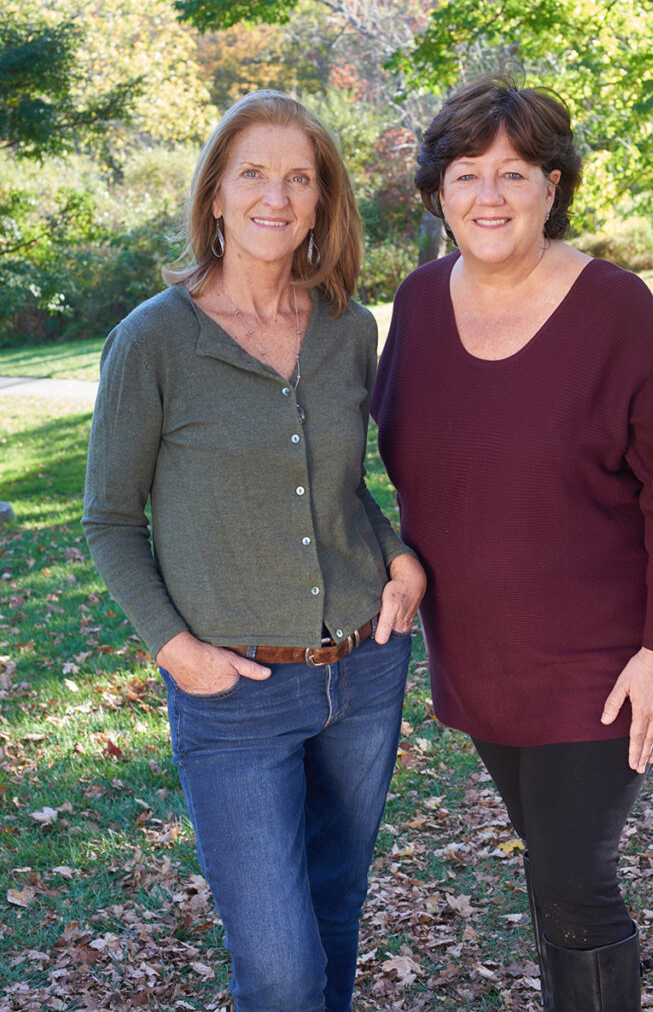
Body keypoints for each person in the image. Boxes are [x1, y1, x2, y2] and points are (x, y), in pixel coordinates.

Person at [371, 76, 653, 1011]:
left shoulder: (613, 308)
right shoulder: (417, 306)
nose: (490, 195)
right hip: (479, 658)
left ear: (553, 185)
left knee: (576, 887)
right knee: (553, 876)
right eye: (468, 172)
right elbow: (408, 462)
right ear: (438, 191)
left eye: (516, 172)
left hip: (597, 663)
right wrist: (394, 556)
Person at [82, 89, 426, 1012]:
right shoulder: (151, 340)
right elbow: (109, 520)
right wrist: (172, 646)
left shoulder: (351, 328)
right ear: (216, 196)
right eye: (253, 174)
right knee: (278, 966)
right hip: (232, 692)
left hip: (364, 669)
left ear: (321, 203)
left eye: (298, 178)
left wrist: (398, 552)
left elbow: (339, 486)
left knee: (336, 907)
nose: (276, 196)